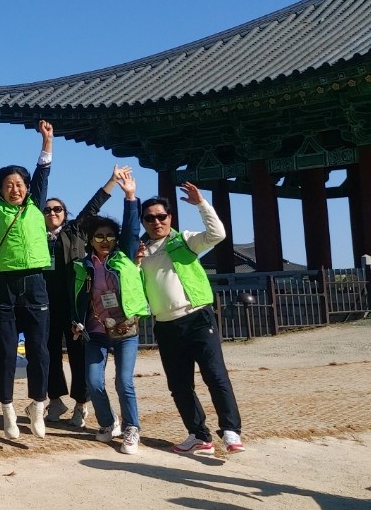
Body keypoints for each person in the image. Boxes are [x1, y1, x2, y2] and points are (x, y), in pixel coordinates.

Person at [138, 181, 242, 456]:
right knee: (179, 385)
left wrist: (201, 204)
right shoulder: (140, 251)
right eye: (149, 218)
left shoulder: (184, 240)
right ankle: (199, 435)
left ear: (170, 217)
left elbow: (217, 234)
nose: (156, 222)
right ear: (143, 222)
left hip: (197, 317)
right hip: (165, 324)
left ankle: (231, 431)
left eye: (161, 216)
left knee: (215, 375)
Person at [0, 119, 54, 440]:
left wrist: (47, 141)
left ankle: (37, 405)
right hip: (4, 285)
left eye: (20, 184)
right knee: (5, 350)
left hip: (35, 283)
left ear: (27, 188)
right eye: (8, 184)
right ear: (0, 189)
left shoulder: (35, 204)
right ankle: (6, 408)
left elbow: (43, 172)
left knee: (39, 350)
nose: (15, 189)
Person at [44, 166, 127, 426]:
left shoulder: (75, 230)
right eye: (47, 210)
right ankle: (55, 400)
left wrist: (112, 181)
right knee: (48, 353)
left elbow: (93, 206)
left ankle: (81, 404)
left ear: (65, 213)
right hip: (47, 304)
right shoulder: (36, 236)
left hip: (76, 303)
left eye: (57, 209)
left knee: (78, 353)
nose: (52, 213)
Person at [71, 170, 146, 455]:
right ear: (90, 240)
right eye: (99, 237)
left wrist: (130, 197)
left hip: (125, 328)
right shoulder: (83, 266)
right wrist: (76, 321)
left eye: (110, 237)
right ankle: (107, 422)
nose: (105, 241)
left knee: (123, 382)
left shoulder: (123, 256)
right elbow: (78, 298)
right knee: (93, 381)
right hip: (96, 330)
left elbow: (132, 230)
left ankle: (131, 428)